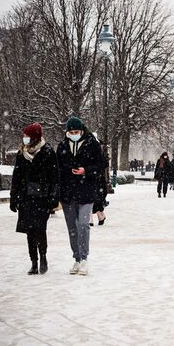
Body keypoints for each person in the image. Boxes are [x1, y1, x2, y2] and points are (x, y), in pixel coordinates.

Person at [10, 123, 59, 275]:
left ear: (34, 137)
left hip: (41, 198)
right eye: (23, 136)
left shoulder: (48, 152)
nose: (24, 139)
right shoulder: (21, 153)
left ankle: (43, 256)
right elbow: (16, 177)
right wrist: (14, 198)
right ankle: (34, 262)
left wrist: (53, 199)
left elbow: (55, 177)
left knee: (40, 229)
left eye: (27, 136)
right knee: (29, 231)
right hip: (26, 198)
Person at [56, 116, 103, 276]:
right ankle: (76, 258)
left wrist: (86, 171)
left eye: (76, 131)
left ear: (81, 131)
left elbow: (101, 165)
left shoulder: (92, 144)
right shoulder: (62, 146)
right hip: (68, 192)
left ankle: (84, 259)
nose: (74, 134)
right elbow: (58, 168)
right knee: (72, 228)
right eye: (71, 132)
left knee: (83, 224)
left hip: (86, 191)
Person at [91, 134, 108, 226]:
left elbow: (105, 163)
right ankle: (98, 216)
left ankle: (98, 216)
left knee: (95, 199)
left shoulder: (99, 153)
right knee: (93, 199)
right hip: (93, 178)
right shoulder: (98, 152)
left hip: (96, 179)